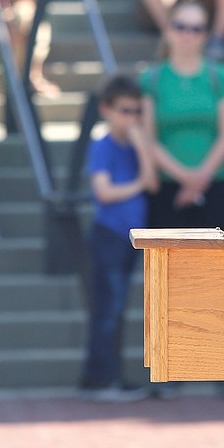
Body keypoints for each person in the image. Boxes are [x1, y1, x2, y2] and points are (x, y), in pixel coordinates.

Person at [78, 74, 157, 402]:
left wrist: (142, 148)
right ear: (107, 110)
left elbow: (153, 183)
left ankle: (110, 375)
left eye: (137, 111)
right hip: (109, 234)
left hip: (130, 238)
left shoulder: (135, 146)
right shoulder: (103, 145)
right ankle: (98, 378)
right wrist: (137, 184)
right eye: (125, 111)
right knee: (106, 309)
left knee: (117, 308)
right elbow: (104, 192)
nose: (132, 118)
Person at [140, 0, 224, 237]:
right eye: (180, 26)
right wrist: (185, 178)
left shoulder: (221, 76)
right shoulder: (150, 78)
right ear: (168, 29)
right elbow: (148, 138)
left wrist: (199, 179)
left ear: (206, 35)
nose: (188, 34)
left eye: (196, 28)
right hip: (167, 189)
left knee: (219, 271)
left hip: (218, 185)